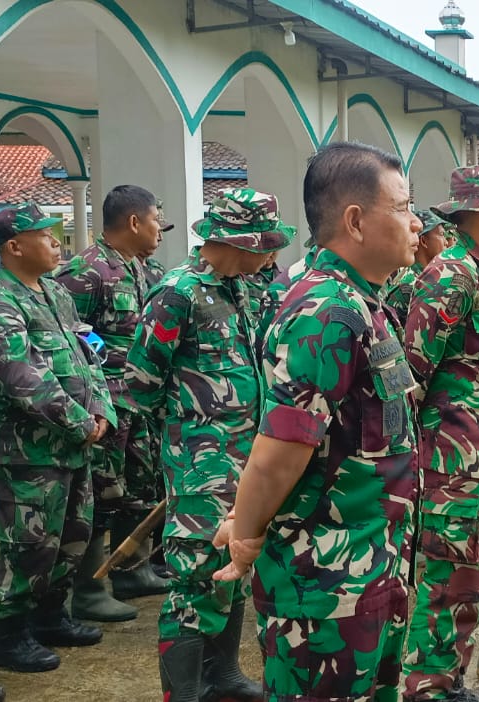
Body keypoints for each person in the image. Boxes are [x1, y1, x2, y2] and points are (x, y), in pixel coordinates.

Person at [210, 142, 422, 702]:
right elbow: (278, 453)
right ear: (355, 221)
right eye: (403, 207)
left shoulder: (363, 302)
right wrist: (246, 535)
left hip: (370, 571)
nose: (415, 222)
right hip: (325, 590)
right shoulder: (327, 312)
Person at [125, 187, 294, 702]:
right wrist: (190, 438)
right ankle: (184, 692)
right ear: (240, 241)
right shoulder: (177, 293)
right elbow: (141, 384)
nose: (272, 254)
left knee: (231, 566)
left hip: (246, 458)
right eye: (266, 243)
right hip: (200, 464)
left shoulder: (240, 290)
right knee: (194, 579)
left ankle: (222, 675)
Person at [401, 163, 479, 702]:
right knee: (448, 582)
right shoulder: (449, 276)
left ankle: (449, 680)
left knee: (474, 578)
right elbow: (411, 376)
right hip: (452, 465)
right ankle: (428, 688)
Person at [0, 203, 114, 673]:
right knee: (28, 545)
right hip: (29, 451)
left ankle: (51, 617)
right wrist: (80, 422)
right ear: (15, 247)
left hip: (75, 447)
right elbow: (21, 377)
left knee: (72, 537)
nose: (57, 243)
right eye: (45, 235)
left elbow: (89, 355)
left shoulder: (55, 293)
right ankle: (9, 637)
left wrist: (102, 410)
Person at [54, 184, 169, 621]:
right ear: (135, 222)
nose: (160, 227)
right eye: (156, 218)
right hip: (106, 403)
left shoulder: (137, 267)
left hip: (136, 402)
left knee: (136, 488)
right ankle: (89, 588)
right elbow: (70, 338)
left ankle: (131, 571)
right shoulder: (88, 270)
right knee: (102, 494)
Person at [385, 208, 451, 326]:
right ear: (424, 241)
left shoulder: (430, 277)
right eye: (441, 235)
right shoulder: (407, 287)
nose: (446, 242)